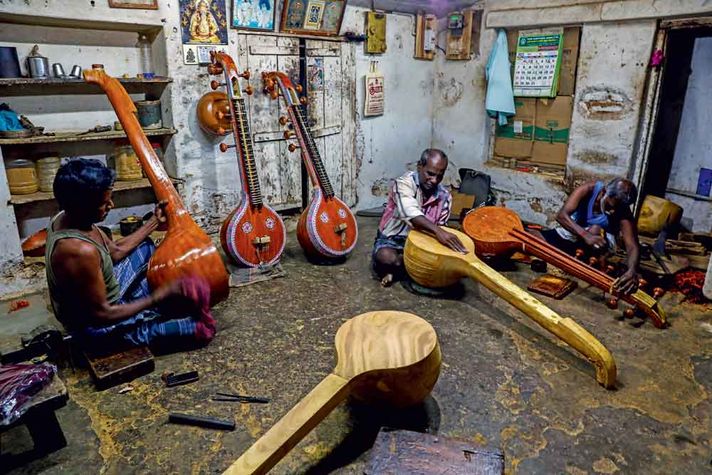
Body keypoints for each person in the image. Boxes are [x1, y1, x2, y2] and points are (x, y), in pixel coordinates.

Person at [45, 158, 216, 354]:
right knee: (202, 328)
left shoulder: (68, 217)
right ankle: (140, 322)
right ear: (82, 205)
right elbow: (103, 314)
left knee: (145, 247)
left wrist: (153, 222)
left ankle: (146, 305)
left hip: (99, 298)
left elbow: (115, 252)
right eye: (103, 203)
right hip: (96, 327)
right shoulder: (77, 251)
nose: (111, 205)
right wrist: (158, 296)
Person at [372, 149, 467, 287]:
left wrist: (442, 235)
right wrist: (439, 231)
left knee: (449, 264)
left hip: (423, 241)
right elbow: (411, 214)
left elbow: (441, 227)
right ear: (419, 166)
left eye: (440, 176)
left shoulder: (444, 196)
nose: (434, 180)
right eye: (430, 174)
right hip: (392, 240)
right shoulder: (403, 183)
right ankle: (403, 268)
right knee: (386, 257)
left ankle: (400, 271)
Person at [539, 177, 641, 295]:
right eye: (610, 206)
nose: (613, 211)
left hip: (600, 243)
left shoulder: (621, 208)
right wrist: (585, 235)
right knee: (535, 238)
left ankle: (579, 260)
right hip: (577, 232)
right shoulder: (587, 189)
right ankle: (574, 258)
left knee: (595, 229)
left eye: (617, 209)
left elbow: (632, 245)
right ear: (604, 192)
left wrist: (632, 270)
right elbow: (562, 216)